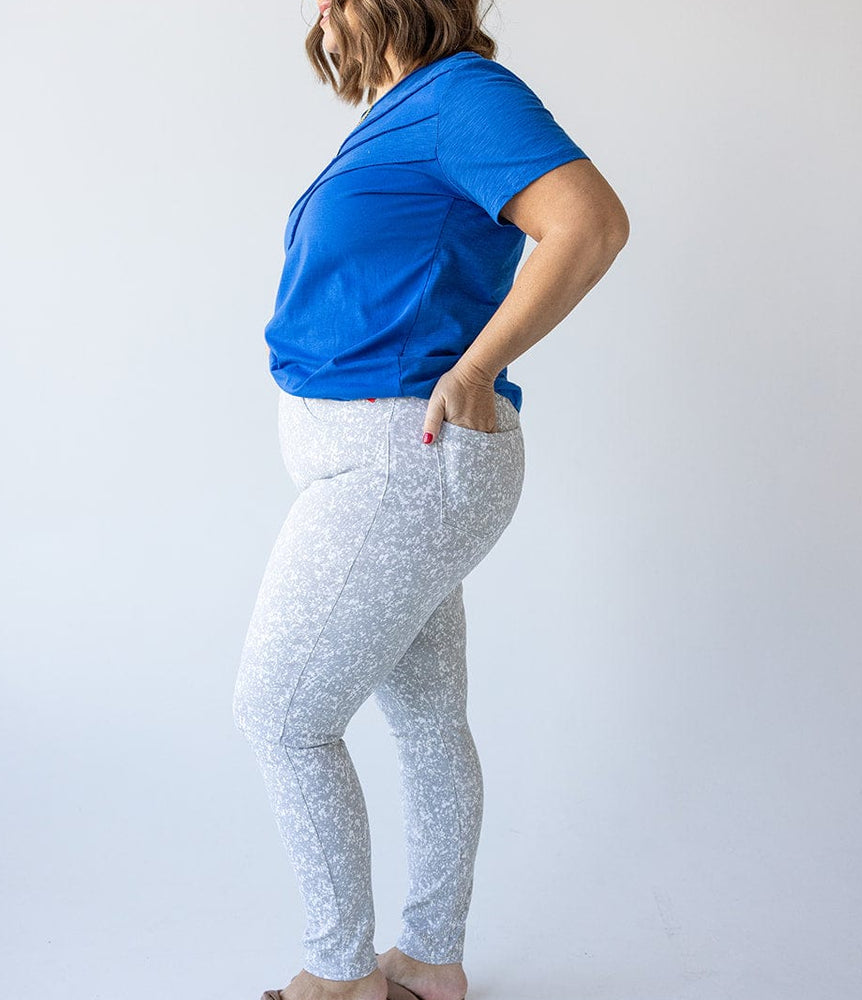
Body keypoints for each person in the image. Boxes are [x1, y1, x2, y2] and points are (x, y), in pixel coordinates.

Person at [232, 2, 629, 999]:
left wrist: (482, 363)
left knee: (281, 713)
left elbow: (589, 220)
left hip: (403, 460)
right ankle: (428, 961)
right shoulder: (397, 107)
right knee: (426, 720)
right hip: (377, 462)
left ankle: (340, 976)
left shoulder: (463, 97)